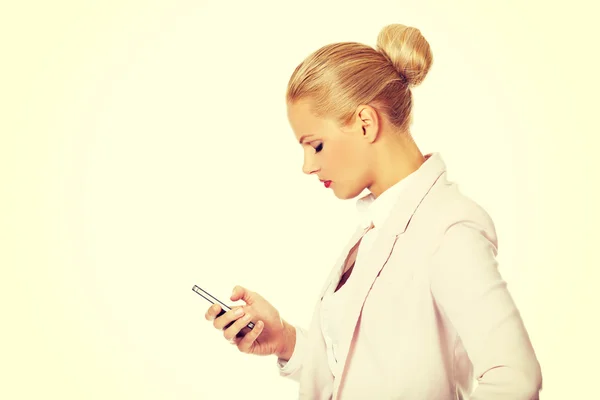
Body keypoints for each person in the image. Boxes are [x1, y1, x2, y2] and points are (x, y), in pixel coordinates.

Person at [204, 23, 542, 399]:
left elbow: (514, 379)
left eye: (315, 145)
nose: (307, 166)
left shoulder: (448, 229)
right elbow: (360, 372)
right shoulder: (377, 225)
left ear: (365, 123)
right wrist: (283, 339)